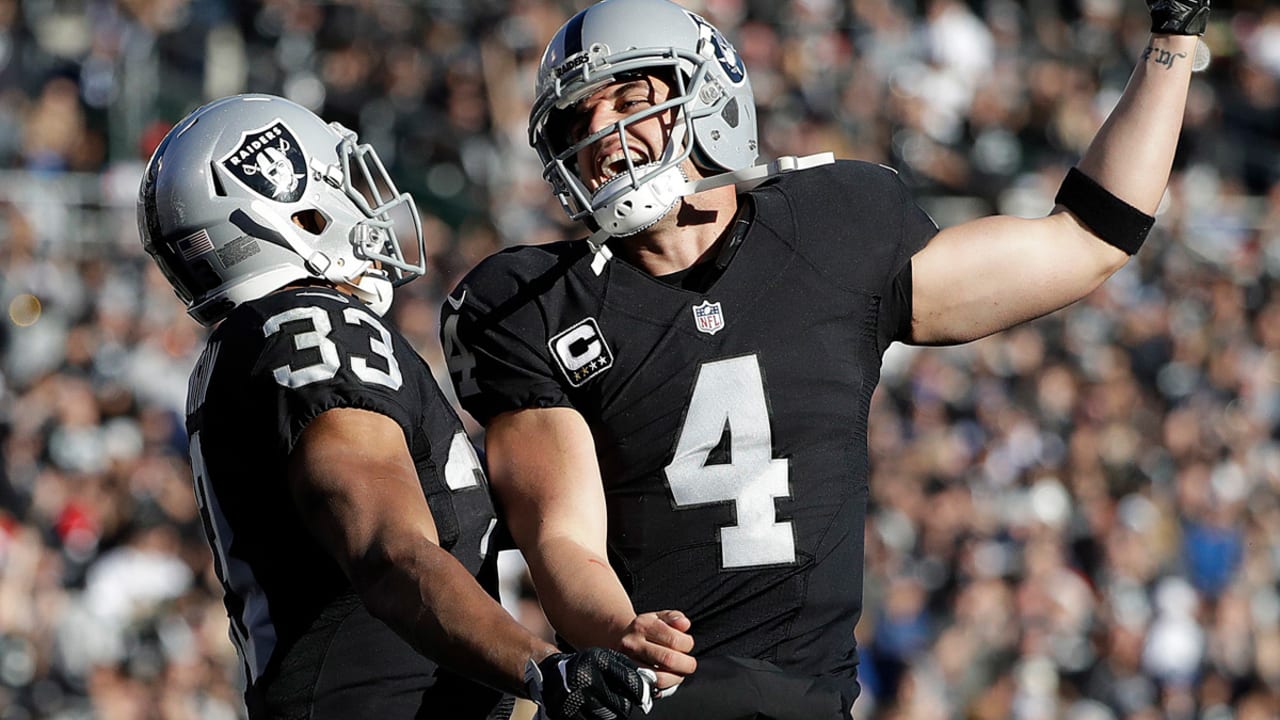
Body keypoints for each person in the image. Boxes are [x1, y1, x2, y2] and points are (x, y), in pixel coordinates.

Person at [440, 0, 1212, 717]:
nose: (602, 130)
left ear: (708, 94)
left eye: (629, 98)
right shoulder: (531, 302)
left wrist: (1175, 37)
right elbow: (561, 538)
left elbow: (1085, 241)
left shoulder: (832, 226)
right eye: (581, 115)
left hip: (813, 700)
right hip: (654, 701)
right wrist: (621, 634)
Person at [136, 93, 655, 720]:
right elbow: (390, 552)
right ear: (291, 211)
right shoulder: (313, 328)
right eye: (339, 181)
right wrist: (545, 669)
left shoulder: (251, 345)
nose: (361, 200)